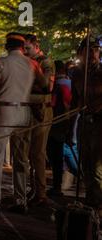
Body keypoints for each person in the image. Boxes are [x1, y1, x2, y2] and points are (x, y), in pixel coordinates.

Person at [0, 33, 36, 215]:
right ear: (22, 47)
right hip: (24, 113)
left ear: (7, 46)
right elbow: (44, 86)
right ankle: (21, 200)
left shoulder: (1, 63)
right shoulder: (31, 64)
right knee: (21, 159)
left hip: (4, 113)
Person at [69, 36, 102, 215]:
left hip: (99, 123)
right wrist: (70, 127)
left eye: (95, 50)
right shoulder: (77, 73)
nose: (92, 54)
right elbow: (75, 102)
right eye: (88, 50)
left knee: (97, 167)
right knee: (85, 165)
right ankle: (91, 202)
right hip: (83, 121)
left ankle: (98, 205)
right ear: (80, 53)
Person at [24, 34, 56, 206]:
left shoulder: (45, 62)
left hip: (42, 110)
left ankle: (41, 192)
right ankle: (34, 189)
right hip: (29, 109)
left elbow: (47, 87)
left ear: (36, 46)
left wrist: (25, 85)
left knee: (38, 153)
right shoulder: (27, 61)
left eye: (28, 48)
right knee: (30, 153)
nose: (25, 51)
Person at [46, 60, 72, 197]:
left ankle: (60, 183)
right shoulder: (68, 83)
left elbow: (57, 104)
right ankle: (58, 184)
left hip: (57, 124)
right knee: (58, 154)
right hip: (61, 124)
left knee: (57, 155)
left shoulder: (59, 85)